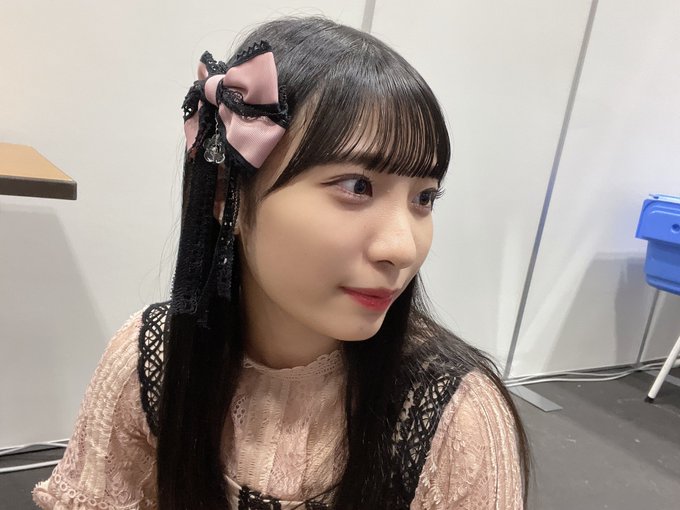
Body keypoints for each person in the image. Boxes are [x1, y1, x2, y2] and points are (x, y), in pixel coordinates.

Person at [33, 16, 530, 510]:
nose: (402, 248)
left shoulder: (456, 420)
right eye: (357, 186)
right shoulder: (154, 361)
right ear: (227, 192)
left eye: (424, 198)